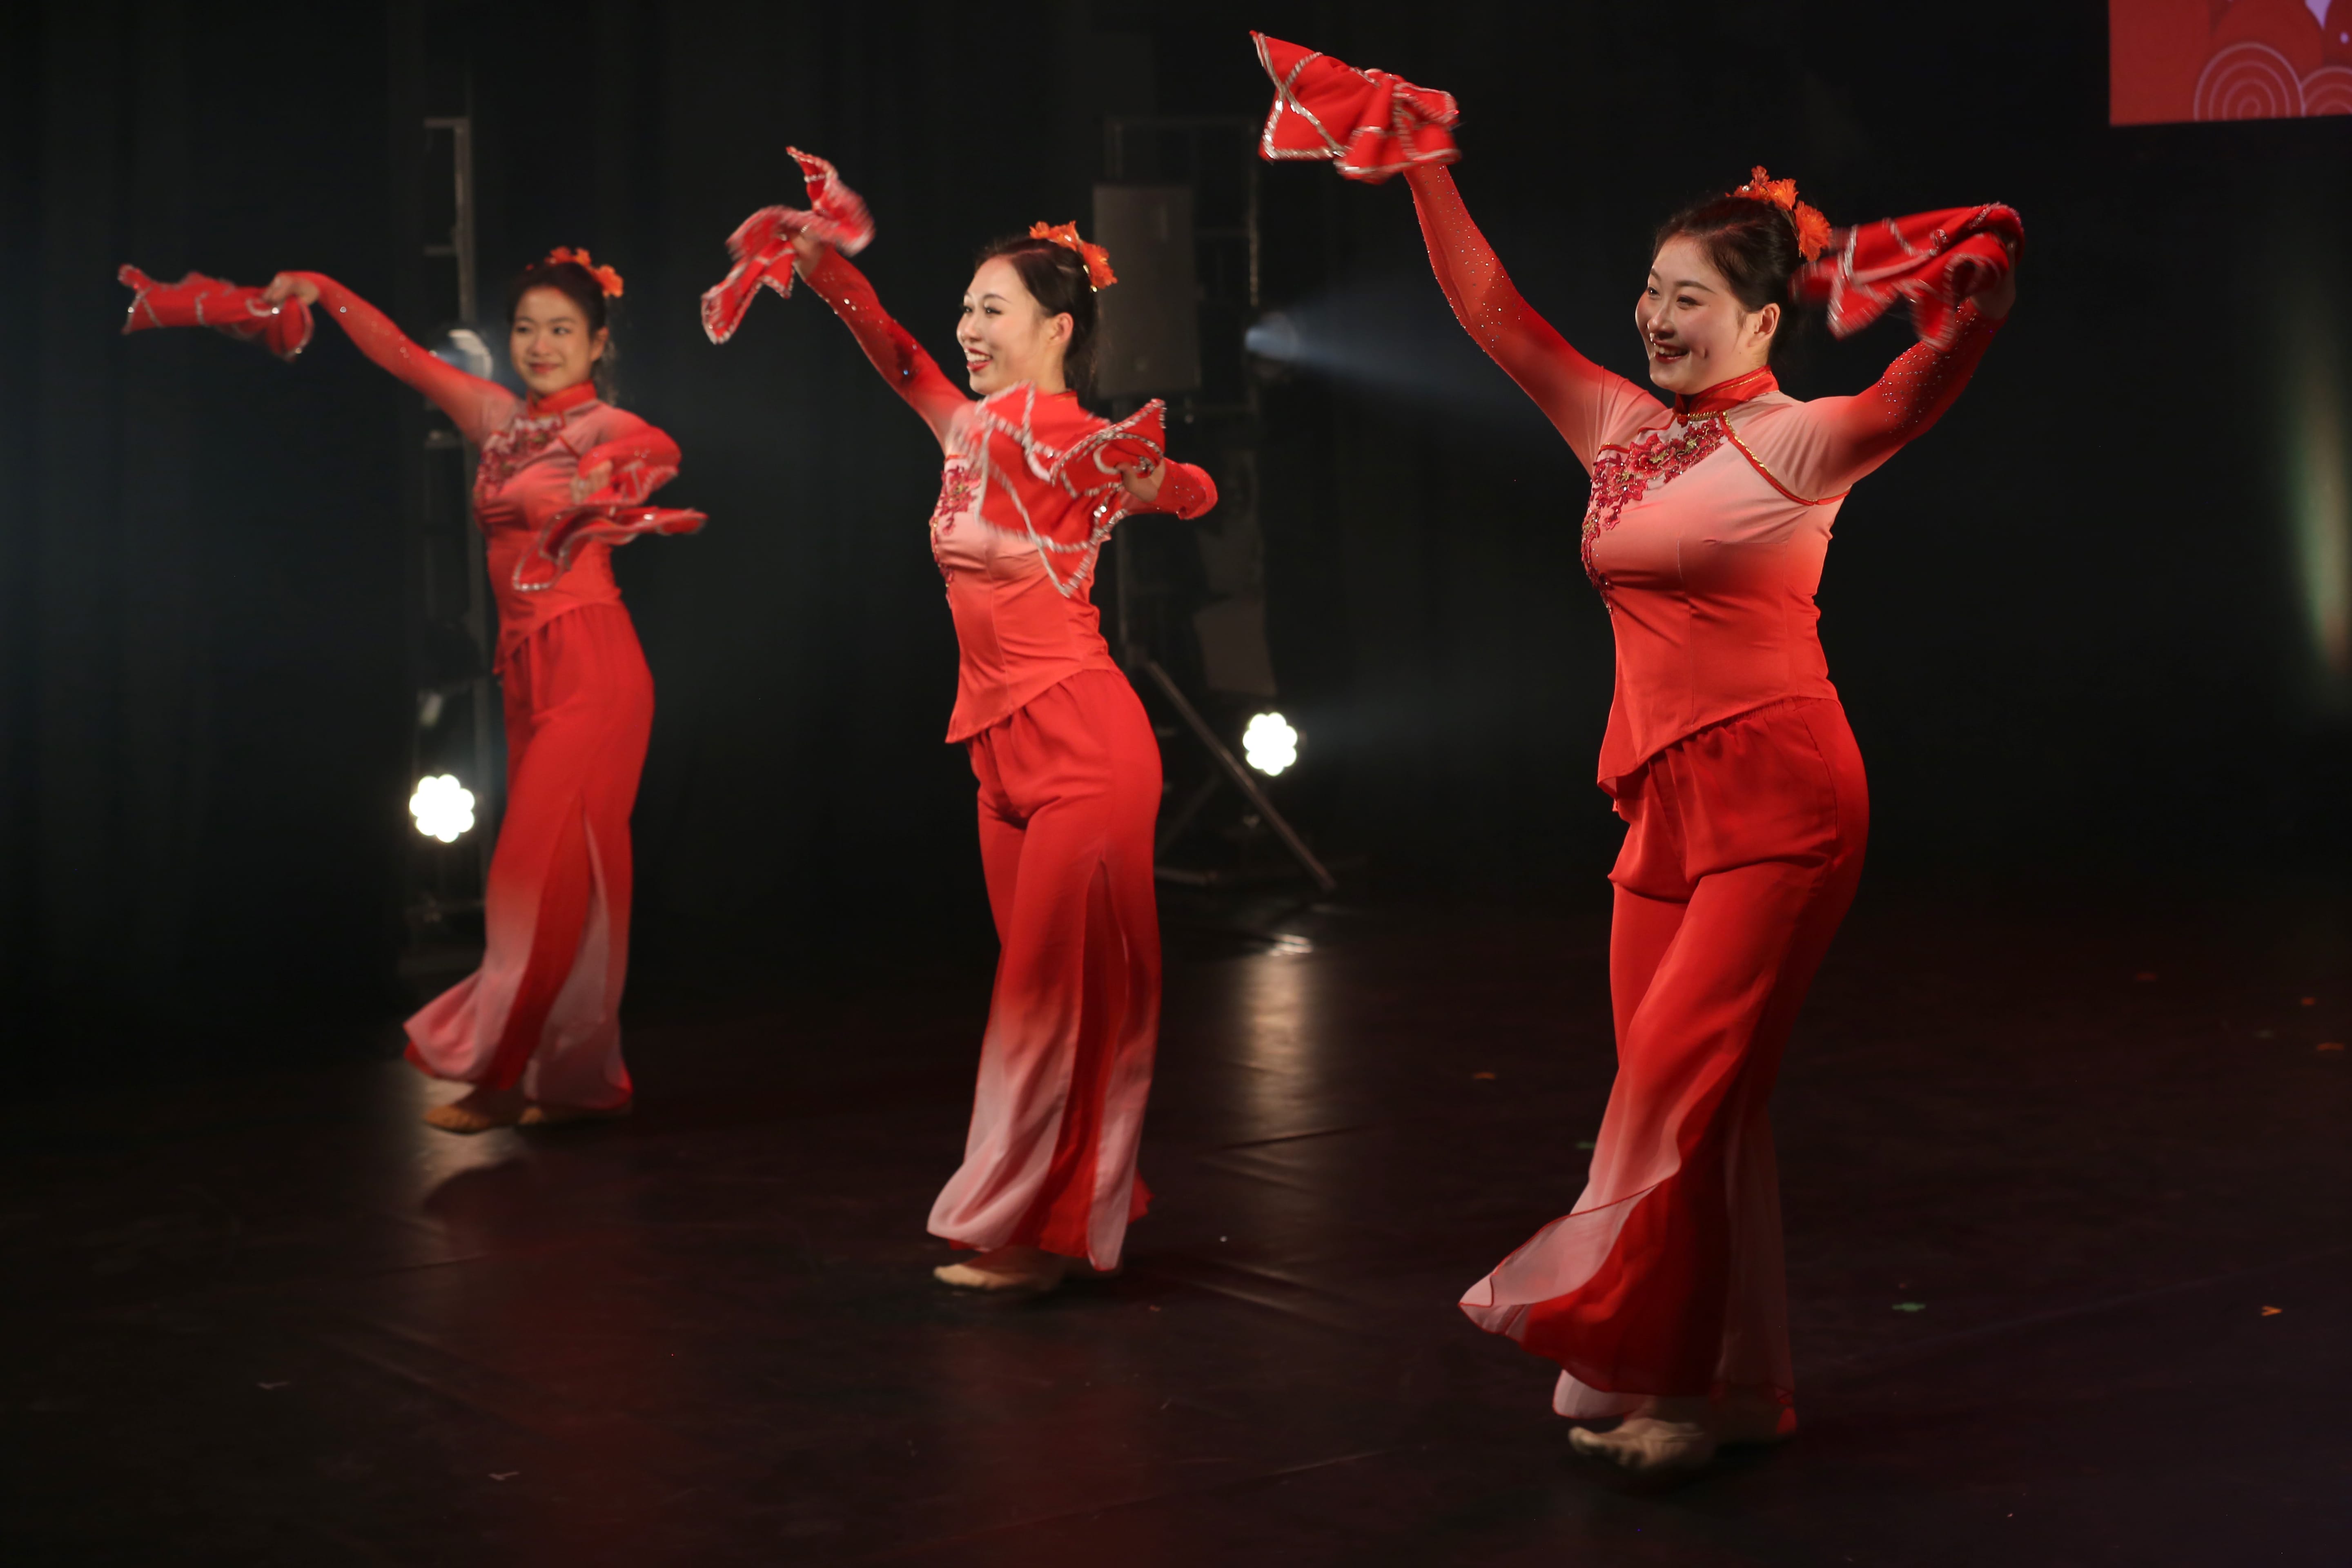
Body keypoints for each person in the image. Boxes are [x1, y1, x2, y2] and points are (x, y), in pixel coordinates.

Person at [1252, 34, 2020, 1472]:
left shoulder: (1799, 441)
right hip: (1663, 808)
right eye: (1649, 293)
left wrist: (1966, 321)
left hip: (1786, 804)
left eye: (1683, 299)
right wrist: (1418, 157)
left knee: (1677, 1091)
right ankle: (1733, 1384)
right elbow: (1493, 314)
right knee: (1691, 1110)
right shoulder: (1619, 431)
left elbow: (1911, 398)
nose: (1651, 317)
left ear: (1757, 319)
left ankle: (1666, 1382)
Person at [724, 176, 1218, 1292]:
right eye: (966, 307)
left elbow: (1191, 489)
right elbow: (893, 347)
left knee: (1043, 999)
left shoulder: (1074, 439)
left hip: (1086, 749)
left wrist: (1157, 478)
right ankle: (1070, 1204)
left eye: (991, 309)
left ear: (1058, 330)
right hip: (1000, 757)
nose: (967, 327)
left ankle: (1026, 1233)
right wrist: (819, 262)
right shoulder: (966, 430)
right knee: (1049, 992)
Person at [242, 249, 701, 1132]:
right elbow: (403, 357)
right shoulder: (497, 421)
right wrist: (324, 290)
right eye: (526, 327)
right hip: (527, 674)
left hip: (595, 669)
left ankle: (494, 1074)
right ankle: (574, 1082)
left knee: (530, 873)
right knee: (570, 883)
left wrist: (619, 477)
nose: (540, 344)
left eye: (561, 330)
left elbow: (660, 448)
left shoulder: (603, 424)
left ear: (598, 343)